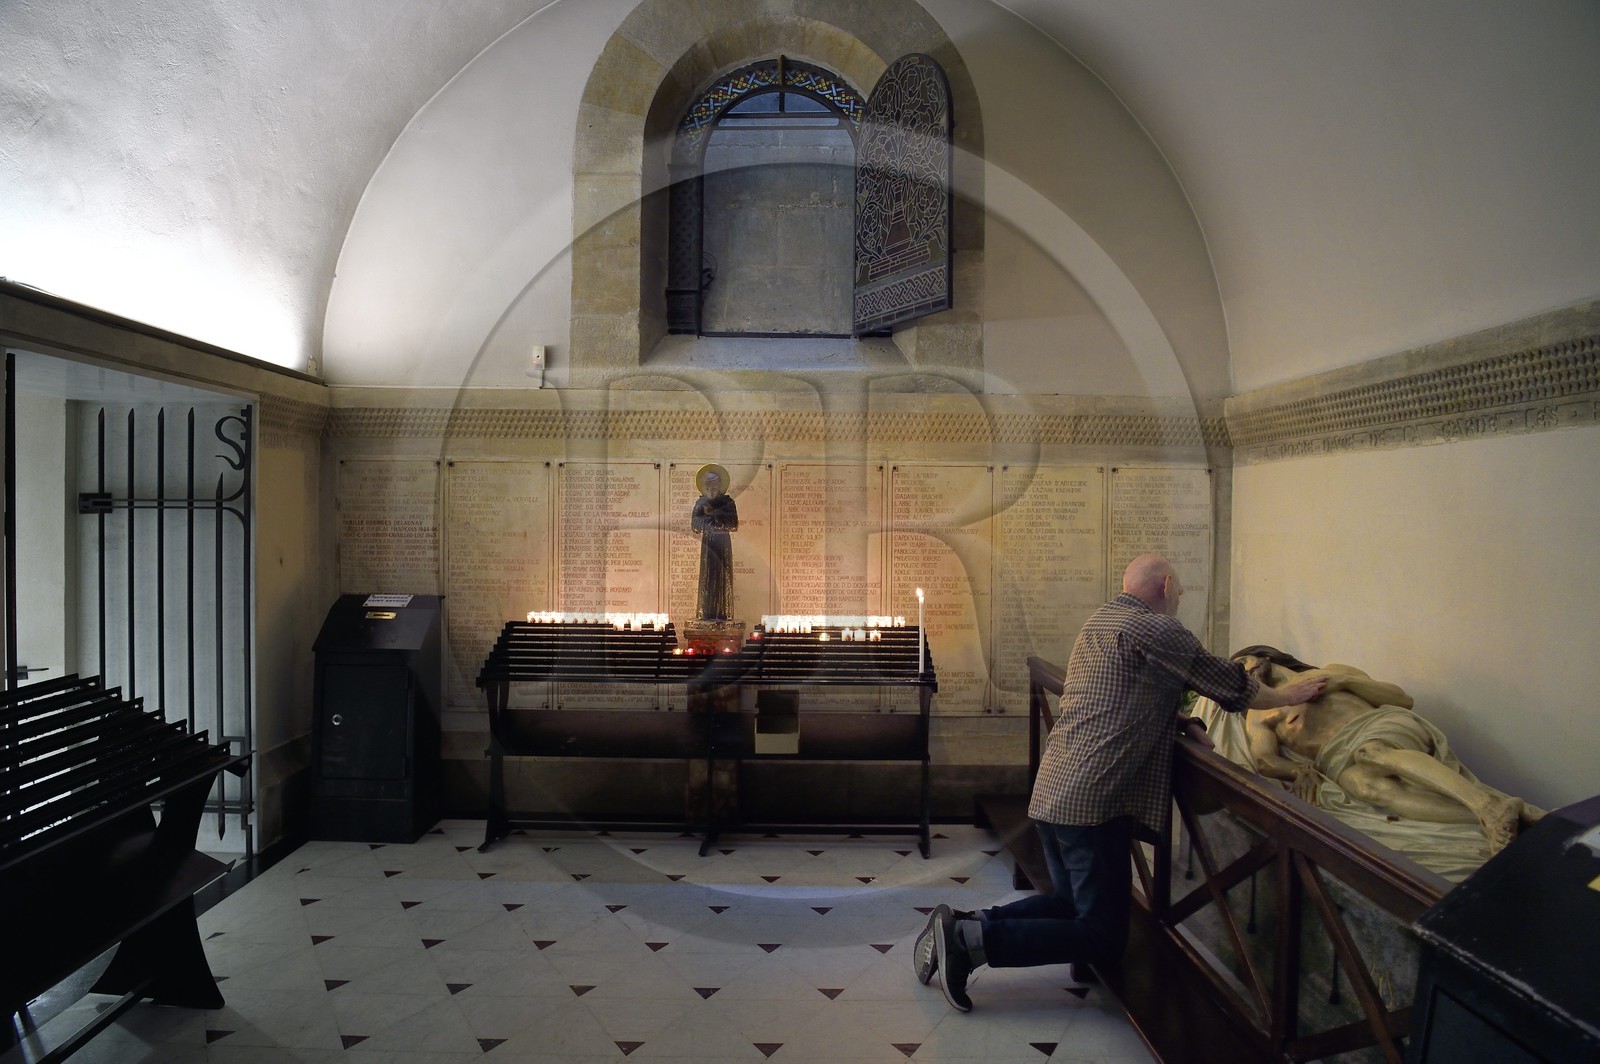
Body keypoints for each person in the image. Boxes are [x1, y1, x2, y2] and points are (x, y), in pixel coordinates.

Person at [915, 555, 1326, 1013]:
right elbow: (1232, 685)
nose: (1179, 600)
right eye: (1181, 592)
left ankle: (965, 925)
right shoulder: (1160, 630)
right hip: (1093, 802)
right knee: (1103, 935)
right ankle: (975, 943)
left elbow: (1116, 693)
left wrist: (1178, 719)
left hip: (1055, 788)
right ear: (1167, 585)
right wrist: (1290, 696)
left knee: (1071, 905)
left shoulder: (1100, 622)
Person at [1234, 645, 1534, 853]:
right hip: (1336, 758)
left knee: (1371, 754)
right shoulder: (1261, 714)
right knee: (1365, 787)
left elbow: (1402, 700)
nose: (1239, 672)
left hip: (1374, 727)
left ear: (1262, 657)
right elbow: (1264, 759)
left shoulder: (1329, 672)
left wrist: (1345, 681)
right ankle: (1505, 817)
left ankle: (1484, 804)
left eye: (1241, 664)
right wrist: (1296, 768)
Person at [691, 464, 738, 621]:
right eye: (709, 488)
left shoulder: (728, 503)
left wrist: (715, 516)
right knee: (709, 577)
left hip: (723, 542)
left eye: (715, 487)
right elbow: (695, 524)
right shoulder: (701, 503)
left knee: (722, 577)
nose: (712, 491)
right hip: (709, 542)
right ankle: (707, 613)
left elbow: (733, 523)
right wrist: (713, 520)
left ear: (720, 487)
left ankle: (723, 613)